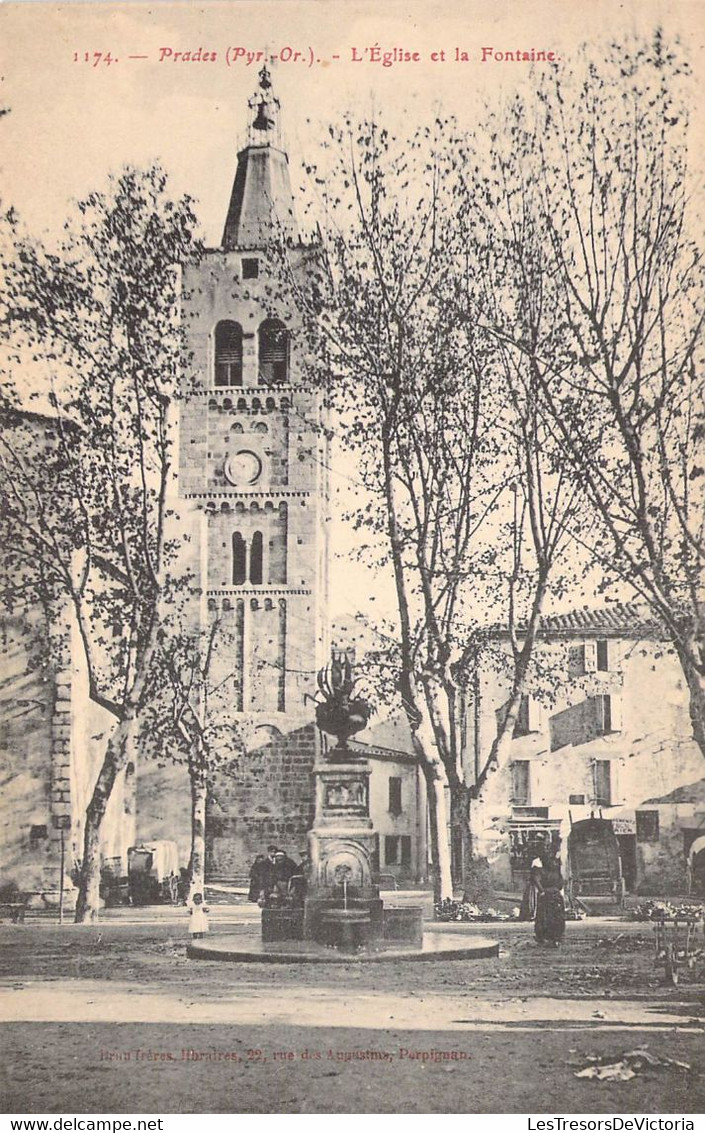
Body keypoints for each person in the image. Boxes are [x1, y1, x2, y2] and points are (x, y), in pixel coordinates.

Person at [534, 854, 566, 946]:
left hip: (553, 895)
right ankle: (548, 937)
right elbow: (536, 880)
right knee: (545, 917)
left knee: (554, 917)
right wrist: (542, 891)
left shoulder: (553, 872)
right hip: (549, 895)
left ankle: (554, 937)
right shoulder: (542, 871)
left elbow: (561, 883)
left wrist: (543, 891)